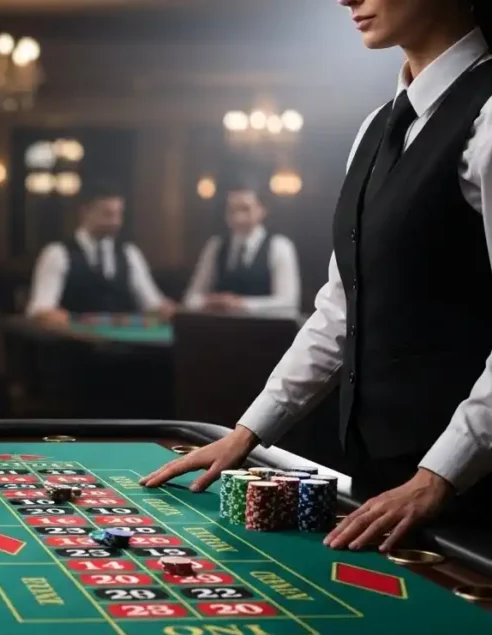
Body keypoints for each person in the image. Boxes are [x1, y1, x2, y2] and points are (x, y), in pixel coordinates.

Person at [141, 0, 492, 554]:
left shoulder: (489, 115)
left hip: (471, 493)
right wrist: (248, 433)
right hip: (380, 479)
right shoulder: (375, 127)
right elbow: (341, 308)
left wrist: (439, 476)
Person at [25, 182, 178, 324]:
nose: (116, 222)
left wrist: (175, 312)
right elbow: (41, 311)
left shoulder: (129, 253)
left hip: (125, 348)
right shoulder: (57, 254)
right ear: (85, 212)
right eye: (107, 214)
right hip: (74, 346)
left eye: (119, 214)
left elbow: (153, 305)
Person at [182, 179, 301, 314]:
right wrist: (210, 302)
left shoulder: (280, 246)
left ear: (262, 210)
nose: (238, 217)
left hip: (265, 331)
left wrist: (241, 304)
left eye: (245, 209)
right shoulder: (215, 246)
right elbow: (190, 299)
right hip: (221, 329)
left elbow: (288, 303)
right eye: (231, 210)